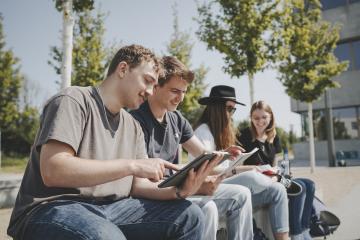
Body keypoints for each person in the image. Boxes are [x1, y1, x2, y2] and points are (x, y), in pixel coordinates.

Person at [7, 45, 217, 240]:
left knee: (189, 216)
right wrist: (131, 165)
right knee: (107, 236)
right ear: (123, 69)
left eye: (154, 85)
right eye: (147, 81)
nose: (151, 91)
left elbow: (138, 185)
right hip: (54, 207)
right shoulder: (73, 100)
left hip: (113, 208)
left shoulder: (132, 125)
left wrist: (179, 191)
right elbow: (54, 170)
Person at [131, 56, 253, 240]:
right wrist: (190, 187)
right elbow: (138, 184)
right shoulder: (137, 121)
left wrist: (225, 155)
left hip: (178, 187)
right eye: (174, 91)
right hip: (154, 194)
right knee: (207, 208)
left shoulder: (177, 119)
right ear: (155, 86)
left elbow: (203, 154)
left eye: (183, 92)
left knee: (242, 194)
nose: (180, 98)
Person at [190, 85, 290, 240]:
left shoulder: (219, 132)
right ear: (216, 107)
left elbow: (225, 167)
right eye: (229, 108)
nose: (231, 114)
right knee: (253, 178)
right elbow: (206, 170)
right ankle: (276, 179)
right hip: (210, 186)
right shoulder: (204, 132)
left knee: (277, 190)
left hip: (224, 182)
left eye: (233, 110)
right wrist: (242, 170)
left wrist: (239, 165)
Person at [238, 100, 315, 240]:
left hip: (275, 178)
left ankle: (304, 230)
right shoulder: (244, 136)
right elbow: (238, 167)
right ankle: (296, 234)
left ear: (271, 117)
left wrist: (281, 172)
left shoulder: (274, 136)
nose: (260, 121)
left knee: (309, 184)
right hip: (257, 182)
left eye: (264, 117)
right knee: (300, 188)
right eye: (256, 118)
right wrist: (267, 173)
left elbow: (277, 164)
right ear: (251, 118)